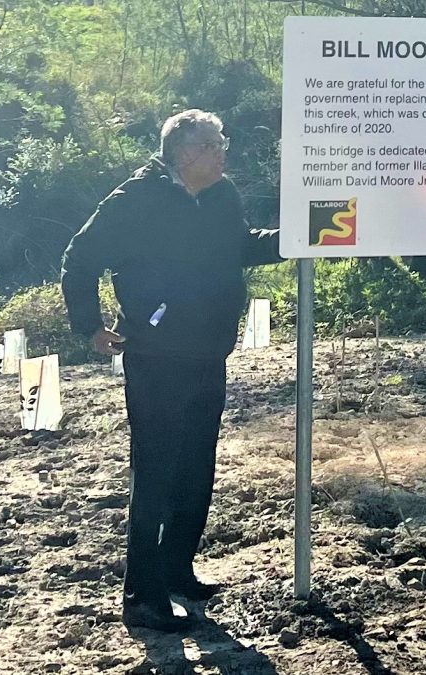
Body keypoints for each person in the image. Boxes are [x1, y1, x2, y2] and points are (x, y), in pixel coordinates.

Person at [61, 109, 282, 630]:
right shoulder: (135, 200)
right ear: (184, 154)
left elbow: (240, 247)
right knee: (156, 473)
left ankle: (178, 568)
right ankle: (142, 595)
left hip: (209, 352)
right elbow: (80, 257)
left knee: (196, 468)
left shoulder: (223, 195)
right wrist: (89, 326)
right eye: (214, 143)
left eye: (222, 140)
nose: (224, 150)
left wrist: (296, 236)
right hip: (156, 357)